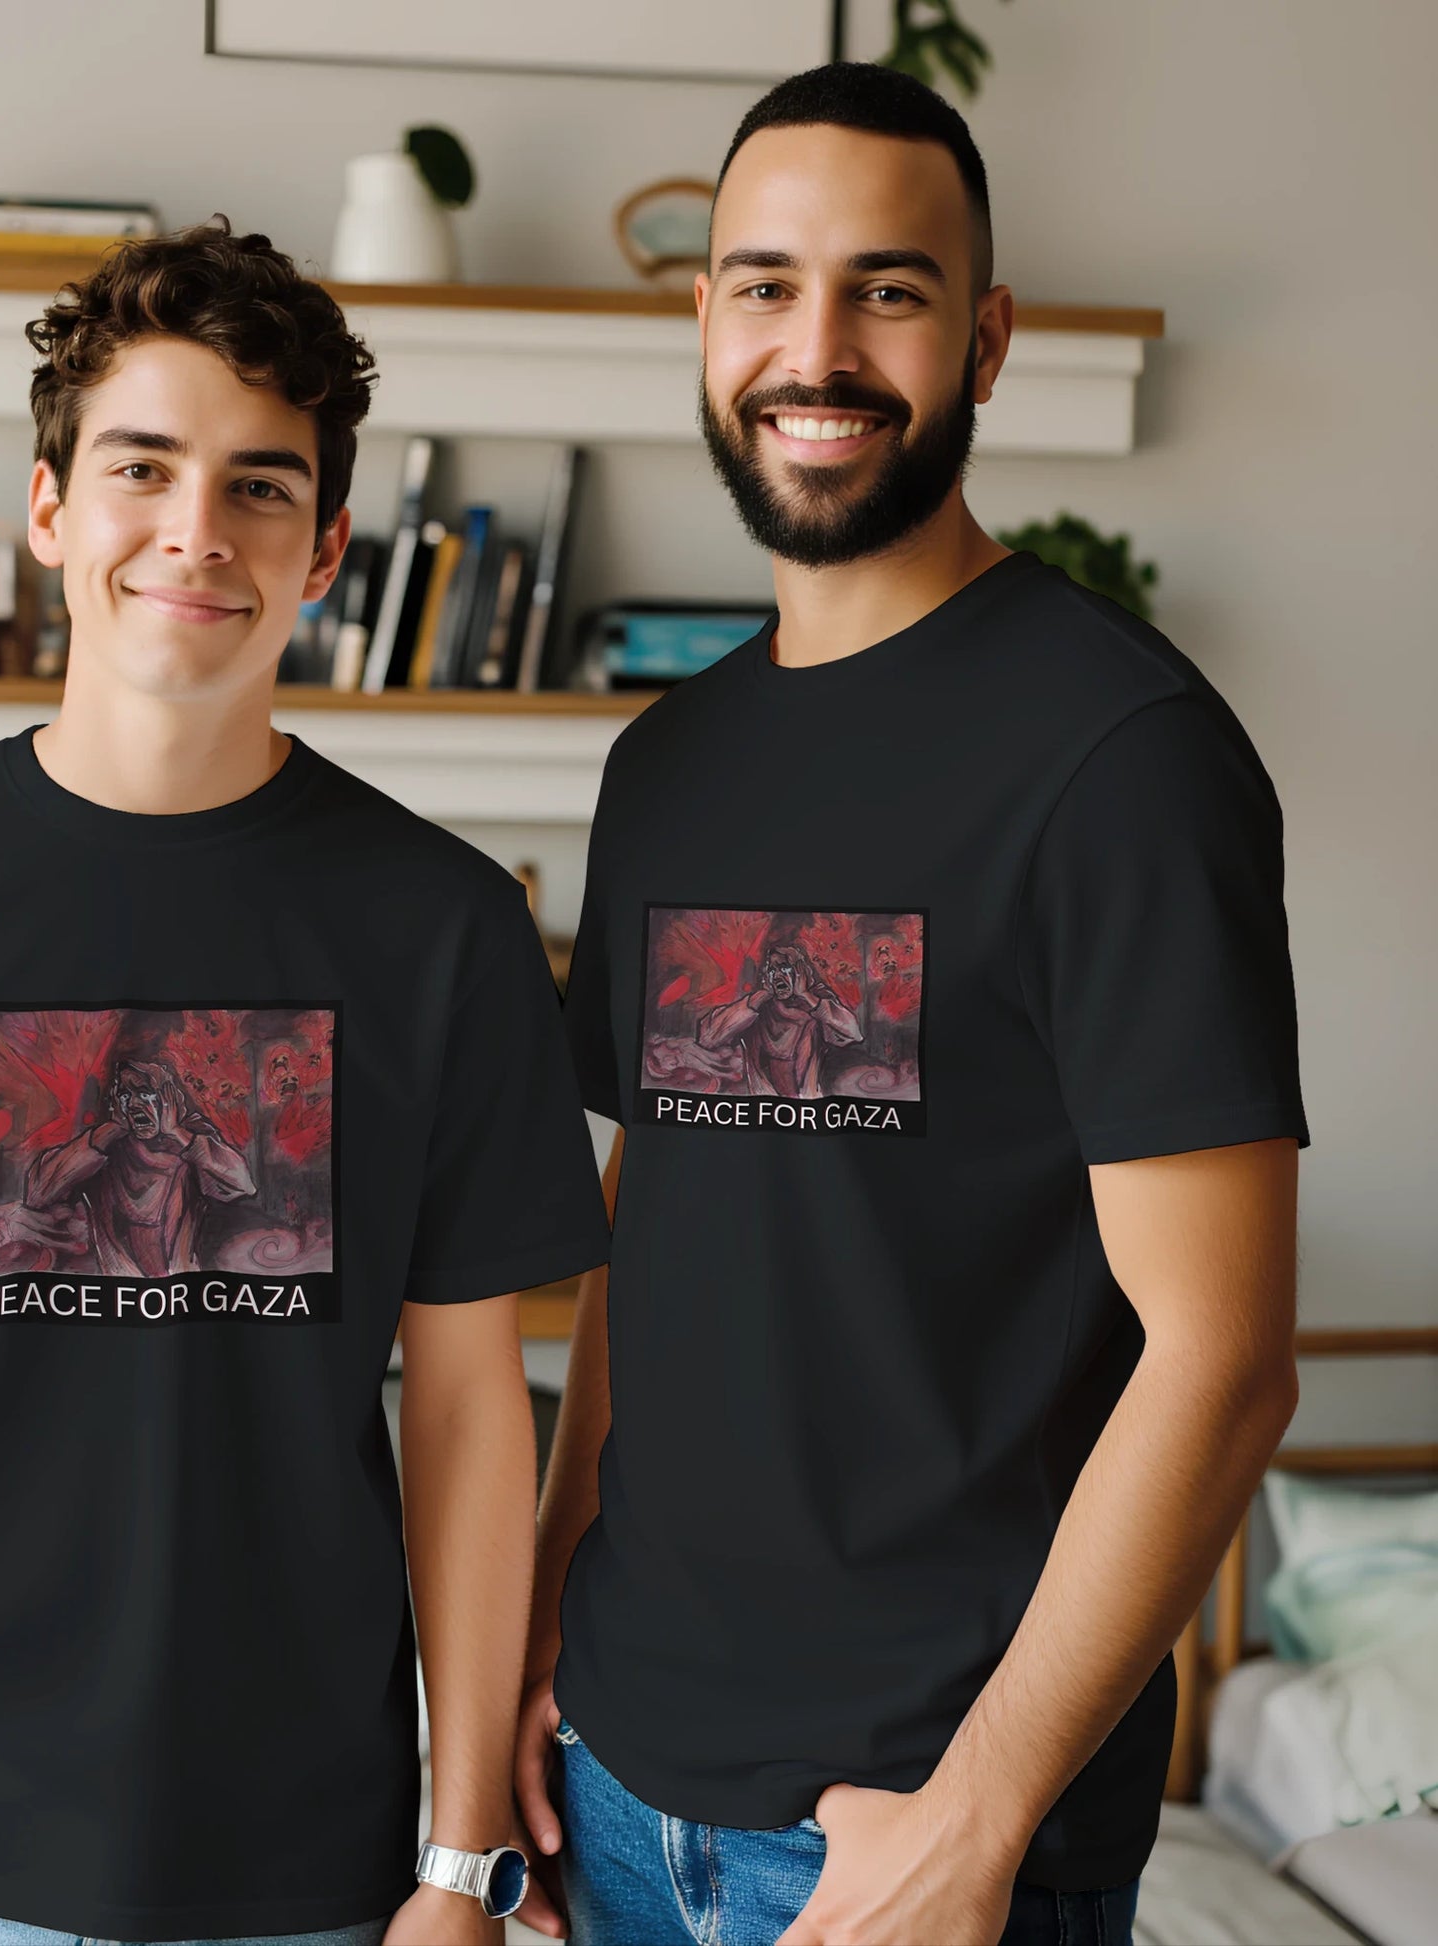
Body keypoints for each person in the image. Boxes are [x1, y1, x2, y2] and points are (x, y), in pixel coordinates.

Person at [0, 220, 609, 1946]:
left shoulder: (445, 928)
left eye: (259, 487)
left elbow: (471, 1407)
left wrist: (460, 1859)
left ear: (323, 551)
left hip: (298, 1861)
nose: (193, 532)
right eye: (141, 469)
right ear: (46, 509)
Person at [515, 64, 1306, 1946]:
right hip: (624, 1778)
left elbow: (1224, 1355)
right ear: (703, 320)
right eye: (763, 283)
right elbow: (651, 1223)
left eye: (887, 287)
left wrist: (974, 1823)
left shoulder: (1120, 754)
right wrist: (552, 1607)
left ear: (985, 335)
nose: (817, 343)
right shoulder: (670, 762)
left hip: (913, 1827)